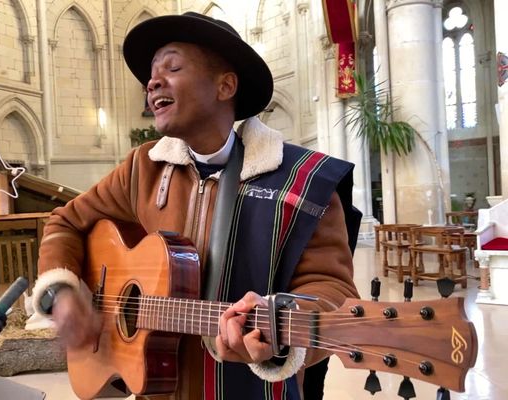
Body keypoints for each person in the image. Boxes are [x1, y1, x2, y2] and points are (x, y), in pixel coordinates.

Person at [32, 12, 360, 400]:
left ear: (225, 86)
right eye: (151, 75)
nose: (152, 82)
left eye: (172, 67)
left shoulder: (303, 181)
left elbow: (334, 291)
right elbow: (65, 222)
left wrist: (277, 332)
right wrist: (64, 291)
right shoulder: (142, 168)